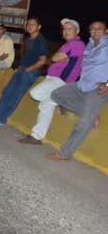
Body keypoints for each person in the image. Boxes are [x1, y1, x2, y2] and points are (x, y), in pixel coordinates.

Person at [43, 21, 108, 160]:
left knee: (83, 124)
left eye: (99, 29)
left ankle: (64, 153)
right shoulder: (90, 45)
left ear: (106, 31)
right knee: (57, 94)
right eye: (92, 29)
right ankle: (91, 116)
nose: (95, 31)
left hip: (99, 88)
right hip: (83, 84)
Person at [18, 19, 85, 144]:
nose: (66, 31)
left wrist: (57, 58)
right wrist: (57, 58)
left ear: (77, 31)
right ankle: (36, 136)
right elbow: (54, 59)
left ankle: (63, 100)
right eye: (64, 29)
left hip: (62, 80)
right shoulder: (66, 45)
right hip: (53, 78)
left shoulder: (77, 44)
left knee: (36, 93)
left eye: (70, 28)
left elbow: (55, 57)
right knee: (46, 107)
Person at [0, 18, 48, 125]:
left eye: (33, 24)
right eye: (28, 24)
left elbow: (42, 60)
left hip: (30, 72)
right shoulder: (28, 40)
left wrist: (28, 70)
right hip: (22, 69)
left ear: (39, 27)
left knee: (15, 95)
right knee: (7, 92)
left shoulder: (41, 40)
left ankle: (1, 118)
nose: (30, 26)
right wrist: (21, 67)